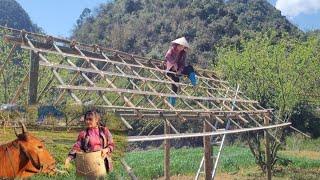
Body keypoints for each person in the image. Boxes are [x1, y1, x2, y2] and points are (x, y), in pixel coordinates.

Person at [164, 37, 197, 106]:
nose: (181, 47)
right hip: (171, 69)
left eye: (183, 46)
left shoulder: (183, 53)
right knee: (175, 85)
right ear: (177, 45)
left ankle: (194, 82)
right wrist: (174, 64)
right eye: (180, 46)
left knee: (190, 68)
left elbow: (182, 64)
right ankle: (172, 104)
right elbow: (167, 56)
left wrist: (180, 70)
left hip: (179, 69)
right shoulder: (172, 49)